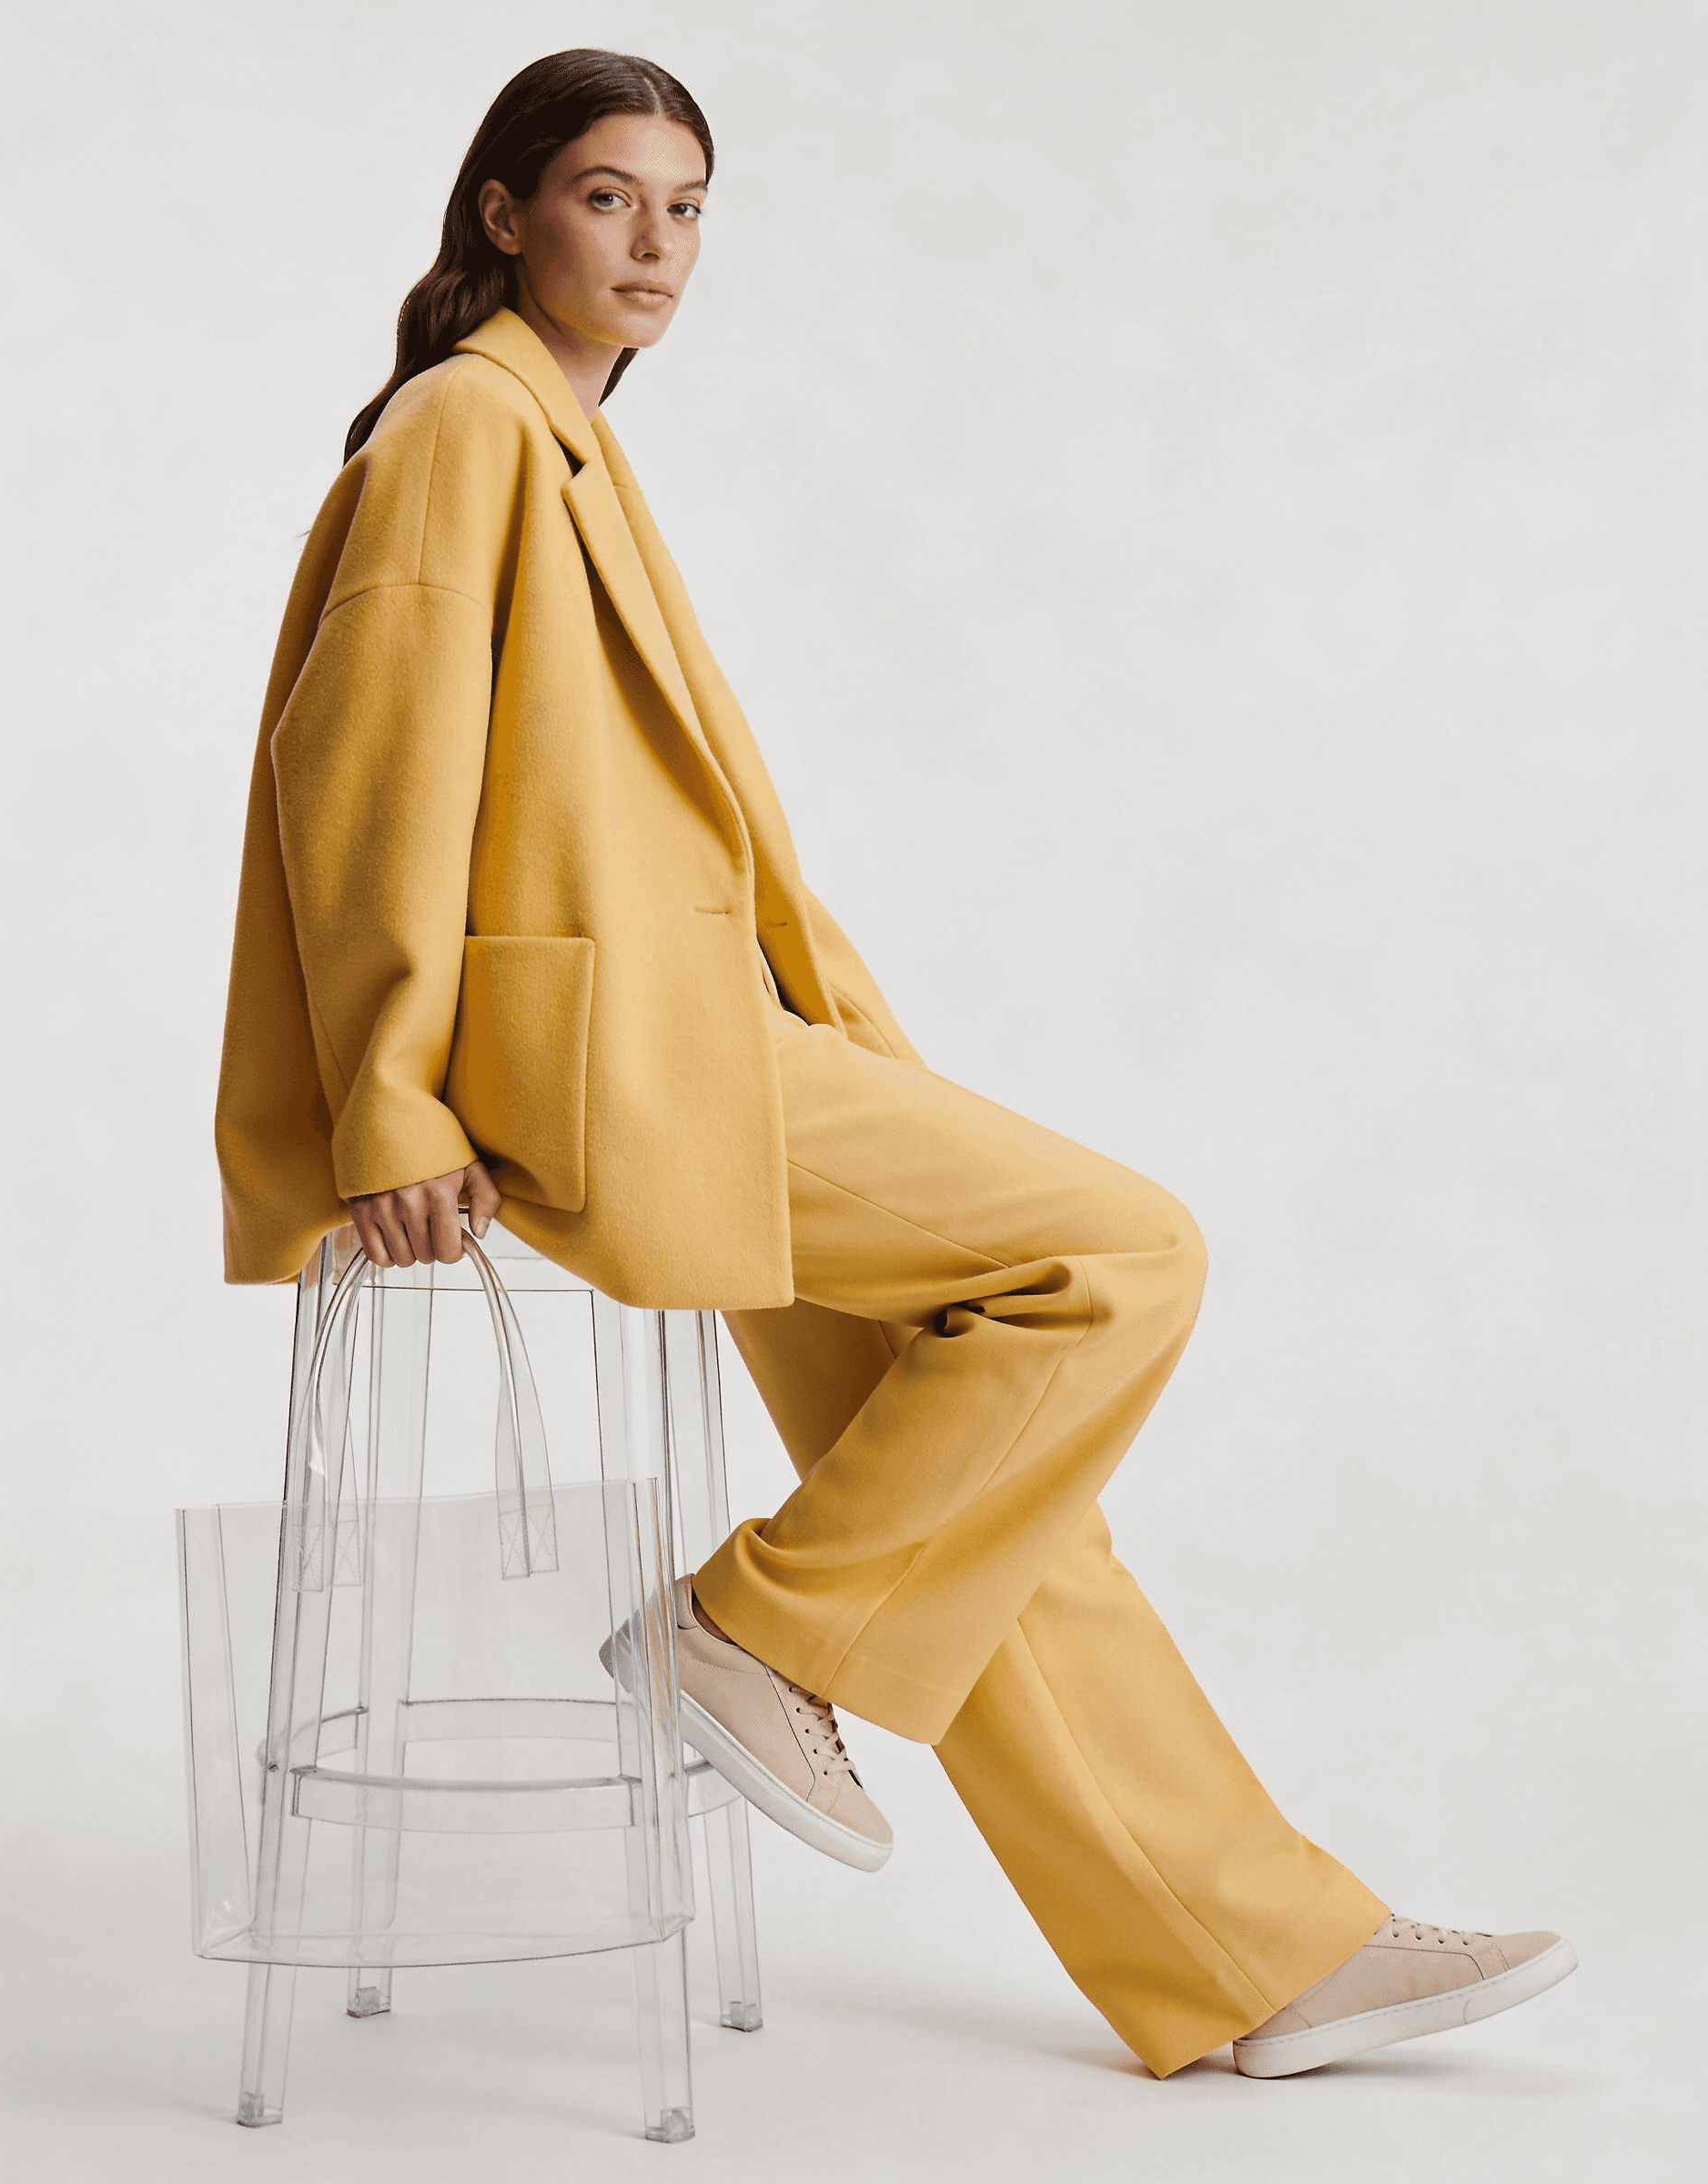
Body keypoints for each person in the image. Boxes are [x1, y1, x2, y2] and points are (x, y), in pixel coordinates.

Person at [215, 47, 1575, 2082]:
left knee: (973, 1490)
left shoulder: (557, 434)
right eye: (606, 197)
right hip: (606, 1069)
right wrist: (387, 1101)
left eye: (686, 207)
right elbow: (361, 779)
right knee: (1118, 1257)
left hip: (687, 1040)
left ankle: (1245, 1956)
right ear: (505, 212)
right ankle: (747, 1633)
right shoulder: (466, 428)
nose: (656, 245)